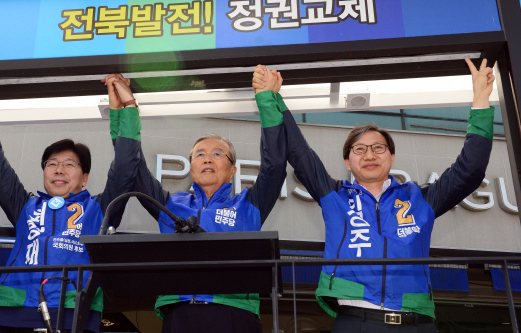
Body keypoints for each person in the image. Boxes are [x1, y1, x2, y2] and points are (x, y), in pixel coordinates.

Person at [252, 58, 495, 332]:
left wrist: (481, 101)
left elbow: (470, 171)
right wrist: (270, 98)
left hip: (418, 322)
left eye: (378, 148)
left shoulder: (421, 199)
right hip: (356, 321)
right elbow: (298, 151)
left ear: (392, 157)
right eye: (359, 149)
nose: (369, 154)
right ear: (347, 162)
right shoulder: (334, 195)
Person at [108, 70, 287, 333]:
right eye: (199, 154)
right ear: (191, 168)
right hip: (180, 315)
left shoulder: (249, 205)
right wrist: (126, 110)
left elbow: (275, 165)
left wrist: (265, 99)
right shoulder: (169, 206)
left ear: (233, 169)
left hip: (234, 314)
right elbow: (131, 167)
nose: (207, 159)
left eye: (218, 154)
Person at [0, 75, 140, 333]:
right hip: (10, 312)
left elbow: (125, 167)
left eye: (70, 164)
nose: (59, 169)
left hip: (73, 311)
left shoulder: (99, 210)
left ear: (85, 178)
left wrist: (127, 107)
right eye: (52, 164)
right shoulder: (24, 205)